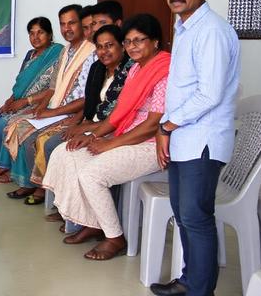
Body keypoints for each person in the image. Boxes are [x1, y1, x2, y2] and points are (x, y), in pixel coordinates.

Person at [43, 14, 169, 260]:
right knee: (66, 152)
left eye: (139, 40)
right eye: (129, 41)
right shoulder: (134, 70)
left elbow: (152, 125)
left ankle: (114, 237)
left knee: (92, 174)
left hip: (152, 145)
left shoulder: (164, 72)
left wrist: (109, 144)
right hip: (126, 135)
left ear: (155, 42)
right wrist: (91, 136)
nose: (132, 46)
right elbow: (116, 117)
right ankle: (92, 222)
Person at [151, 0, 240, 296]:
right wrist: (168, 130)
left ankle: (201, 290)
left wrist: (166, 127)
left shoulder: (212, 31)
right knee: (184, 215)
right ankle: (189, 280)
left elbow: (210, 93)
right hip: (183, 137)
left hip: (202, 140)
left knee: (196, 217)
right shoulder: (185, 27)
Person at [2, 4, 96, 203]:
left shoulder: (92, 52)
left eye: (72, 23)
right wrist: (42, 107)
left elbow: (87, 98)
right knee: (19, 128)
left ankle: (42, 189)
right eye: (63, 24)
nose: (67, 28)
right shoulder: (66, 51)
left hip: (72, 113)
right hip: (57, 108)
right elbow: (53, 86)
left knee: (35, 139)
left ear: (82, 24)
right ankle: (32, 183)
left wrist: (51, 113)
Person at [0, 17, 63, 180]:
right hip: (21, 101)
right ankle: (3, 163)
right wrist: (10, 100)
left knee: (6, 122)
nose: (35, 37)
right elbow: (21, 81)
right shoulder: (30, 54)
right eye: (31, 33)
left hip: (42, 103)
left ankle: (8, 167)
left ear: (50, 34)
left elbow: (55, 88)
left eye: (40, 32)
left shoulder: (58, 52)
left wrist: (24, 102)